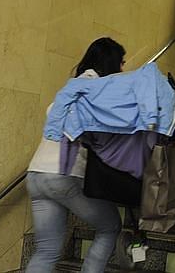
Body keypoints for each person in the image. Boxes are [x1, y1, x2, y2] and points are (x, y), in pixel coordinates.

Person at [26, 38, 124, 273]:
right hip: (63, 175)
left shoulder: (72, 86)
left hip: (36, 175)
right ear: (109, 62)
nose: (122, 69)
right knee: (110, 227)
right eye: (120, 63)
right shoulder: (98, 89)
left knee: (47, 250)